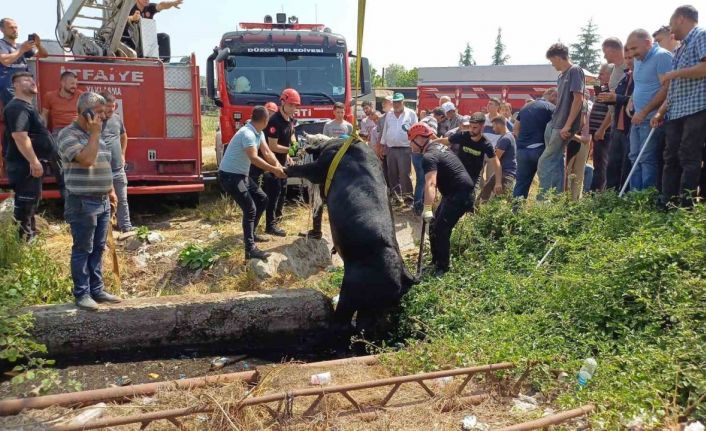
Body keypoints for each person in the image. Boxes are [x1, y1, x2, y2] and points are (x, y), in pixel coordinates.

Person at [57, 92, 121, 310]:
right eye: (100, 113)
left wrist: (111, 190)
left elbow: (103, 163)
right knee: (83, 248)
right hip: (82, 202)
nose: (104, 117)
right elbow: (86, 160)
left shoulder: (97, 135)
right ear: (86, 112)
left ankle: (97, 290)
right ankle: (82, 294)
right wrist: (94, 134)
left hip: (102, 201)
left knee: (98, 248)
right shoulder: (68, 135)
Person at [653, 5, 706, 207]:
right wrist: (660, 112)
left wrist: (674, 73)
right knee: (671, 157)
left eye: (672, 22)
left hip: (696, 108)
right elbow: (675, 90)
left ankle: (685, 206)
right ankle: (667, 202)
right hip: (676, 111)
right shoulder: (681, 47)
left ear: (681, 18)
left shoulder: (701, 35)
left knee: (689, 156)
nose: (670, 27)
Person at [219, 106, 285, 260]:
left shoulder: (258, 132)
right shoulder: (247, 134)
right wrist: (273, 170)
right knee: (250, 209)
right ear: (265, 120)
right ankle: (250, 250)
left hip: (241, 175)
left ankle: (252, 235)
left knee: (262, 199)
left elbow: (268, 152)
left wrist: (279, 167)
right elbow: (254, 158)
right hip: (230, 176)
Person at [409, 122, 474, 277]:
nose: (410, 145)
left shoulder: (429, 156)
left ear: (418, 139)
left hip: (460, 195)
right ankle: (435, 261)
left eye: (410, 140)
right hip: (453, 193)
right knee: (433, 227)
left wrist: (427, 208)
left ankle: (443, 269)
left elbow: (431, 183)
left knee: (441, 230)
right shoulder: (437, 147)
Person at [2, 72, 54, 240]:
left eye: (32, 79)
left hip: (28, 166)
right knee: (25, 205)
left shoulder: (26, 107)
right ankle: (24, 244)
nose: (32, 82)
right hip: (25, 166)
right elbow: (19, 136)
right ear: (15, 85)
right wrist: (34, 161)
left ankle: (28, 239)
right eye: (26, 80)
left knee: (30, 205)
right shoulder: (18, 107)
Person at [625, 28, 673, 192]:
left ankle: (646, 198)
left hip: (651, 119)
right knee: (633, 157)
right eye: (629, 49)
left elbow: (667, 88)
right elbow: (640, 85)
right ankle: (634, 196)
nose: (631, 53)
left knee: (646, 158)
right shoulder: (638, 60)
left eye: (634, 48)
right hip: (637, 118)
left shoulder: (662, 56)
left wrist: (645, 111)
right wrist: (631, 101)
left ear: (647, 43)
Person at [538, 43, 585, 196]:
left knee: (544, 161)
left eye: (552, 61)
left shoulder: (575, 71)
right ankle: (556, 198)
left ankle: (543, 201)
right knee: (557, 162)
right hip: (554, 123)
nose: (552, 64)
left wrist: (568, 125)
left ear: (558, 57)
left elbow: (579, 99)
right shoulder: (561, 76)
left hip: (562, 126)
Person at [433, 113, 502, 201]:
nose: (471, 130)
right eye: (470, 126)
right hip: (458, 172)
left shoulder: (485, 144)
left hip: (473, 176)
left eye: (474, 128)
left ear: (482, 127)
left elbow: (496, 162)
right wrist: (428, 145)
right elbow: (444, 141)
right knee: (449, 197)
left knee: (469, 200)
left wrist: (498, 182)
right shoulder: (463, 136)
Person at [259, 88, 299, 237]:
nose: (293, 108)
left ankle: (278, 219)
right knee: (273, 194)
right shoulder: (274, 121)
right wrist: (289, 149)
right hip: (272, 163)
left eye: (295, 106)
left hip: (283, 162)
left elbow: (292, 133)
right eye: (291, 105)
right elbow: (272, 146)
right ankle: (270, 225)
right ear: (282, 102)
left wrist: (293, 145)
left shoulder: (290, 119)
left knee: (282, 192)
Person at [598, 48, 635, 191]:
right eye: (627, 58)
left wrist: (616, 98)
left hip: (629, 126)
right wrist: (609, 98)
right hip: (617, 127)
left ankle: (622, 197)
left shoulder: (640, 78)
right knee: (612, 165)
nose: (629, 61)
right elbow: (618, 100)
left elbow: (636, 100)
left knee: (626, 165)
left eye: (632, 57)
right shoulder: (625, 78)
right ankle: (610, 197)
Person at [512, 88, 557, 198]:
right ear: (553, 95)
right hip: (541, 149)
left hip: (522, 150)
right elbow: (556, 129)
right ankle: (540, 212)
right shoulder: (551, 108)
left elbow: (515, 128)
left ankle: (515, 211)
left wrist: (523, 142)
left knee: (521, 184)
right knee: (545, 185)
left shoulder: (525, 107)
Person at [100, 92, 134, 232]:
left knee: (122, 199)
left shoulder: (117, 119)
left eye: (113, 106)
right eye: (108, 106)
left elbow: (124, 136)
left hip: (118, 168)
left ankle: (126, 227)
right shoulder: (94, 121)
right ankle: (105, 231)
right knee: (104, 202)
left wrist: (122, 154)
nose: (110, 109)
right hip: (101, 171)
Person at [0, 18, 47, 106]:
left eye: (16, 27)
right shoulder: (2, 44)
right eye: (11, 28)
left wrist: (38, 45)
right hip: (10, 87)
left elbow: (43, 55)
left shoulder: (21, 46)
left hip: (26, 87)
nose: (15, 30)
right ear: (2, 30)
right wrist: (22, 49)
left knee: (27, 113)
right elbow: (5, 61)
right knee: (16, 113)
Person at [381, 92, 417, 203]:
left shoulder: (411, 114)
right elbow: (385, 130)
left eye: (398, 102)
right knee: (392, 174)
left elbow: (415, 130)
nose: (396, 104)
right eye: (394, 102)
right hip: (391, 149)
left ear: (403, 102)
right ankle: (396, 197)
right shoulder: (389, 115)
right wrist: (383, 145)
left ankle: (408, 197)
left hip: (405, 148)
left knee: (404, 174)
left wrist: (415, 145)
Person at [478, 116, 516, 202]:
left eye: (494, 126)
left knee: (492, 200)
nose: (493, 129)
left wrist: (498, 182)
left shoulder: (505, 139)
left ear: (499, 125)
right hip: (505, 173)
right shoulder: (507, 136)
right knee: (485, 196)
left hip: (505, 174)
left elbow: (495, 159)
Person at [589, 64, 614, 191]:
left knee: (601, 165)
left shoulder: (611, 90)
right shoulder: (603, 89)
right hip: (597, 132)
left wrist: (602, 129)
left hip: (604, 133)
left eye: (602, 73)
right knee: (598, 163)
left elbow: (611, 112)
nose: (599, 76)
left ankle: (597, 192)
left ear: (611, 74)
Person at [566, 100, 591, 199]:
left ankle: (570, 198)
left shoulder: (585, 111)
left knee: (571, 172)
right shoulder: (586, 111)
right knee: (577, 173)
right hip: (577, 141)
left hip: (577, 141)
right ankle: (574, 198)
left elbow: (586, 138)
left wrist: (571, 135)